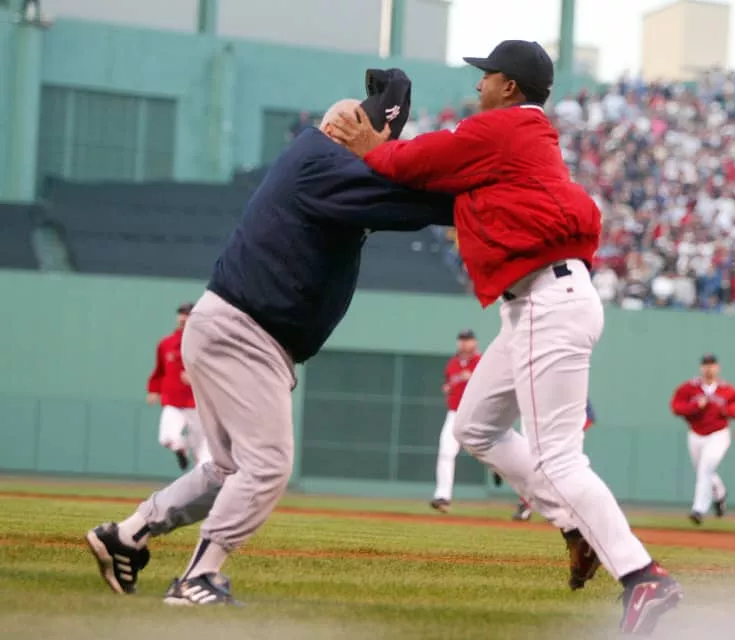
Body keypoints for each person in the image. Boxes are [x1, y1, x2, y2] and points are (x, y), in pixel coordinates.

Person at [329, 40, 682, 634]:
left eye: (487, 76)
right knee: (475, 428)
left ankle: (644, 577)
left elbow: (413, 161)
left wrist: (372, 145)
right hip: (534, 303)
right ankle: (573, 525)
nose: (479, 86)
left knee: (560, 458)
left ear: (510, 87)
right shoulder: (516, 135)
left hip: (551, 300)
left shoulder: (506, 128)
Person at [84, 69, 458, 606]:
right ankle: (196, 578)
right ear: (342, 127)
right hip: (246, 331)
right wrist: (475, 193)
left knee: (226, 468)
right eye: (376, 136)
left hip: (232, 325)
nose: (379, 148)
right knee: (267, 465)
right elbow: (410, 202)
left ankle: (127, 536)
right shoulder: (325, 162)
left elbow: (395, 191)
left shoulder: (321, 159)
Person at [671, 353, 735, 525]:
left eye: (712, 364)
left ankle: (698, 509)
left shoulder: (727, 389)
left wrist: (724, 410)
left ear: (717, 368)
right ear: (701, 368)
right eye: (705, 365)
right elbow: (676, 407)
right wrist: (696, 406)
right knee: (704, 471)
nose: (708, 368)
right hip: (696, 434)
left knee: (705, 468)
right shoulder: (689, 388)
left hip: (718, 434)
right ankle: (719, 494)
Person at [510, 398, 597, 523]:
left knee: (563, 475)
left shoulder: (569, 389)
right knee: (532, 471)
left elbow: (589, 417)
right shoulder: (529, 389)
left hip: (560, 443)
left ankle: (573, 510)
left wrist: (569, 433)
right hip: (535, 442)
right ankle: (526, 506)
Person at [146, 302, 209, 470]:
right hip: (173, 401)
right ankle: (180, 448)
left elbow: (217, 373)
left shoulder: (205, 344)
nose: (183, 317)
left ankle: (205, 490)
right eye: (181, 314)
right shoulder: (166, 344)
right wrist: (153, 390)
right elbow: (159, 370)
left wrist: (196, 378)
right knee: (167, 437)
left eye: (187, 314)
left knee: (203, 455)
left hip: (198, 405)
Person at [431, 329, 481, 513]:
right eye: (461, 339)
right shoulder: (452, 363)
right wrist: (448, 387)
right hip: (454, 414)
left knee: (492, 453)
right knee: (446, 452)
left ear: (474, 342)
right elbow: (448, 382)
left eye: (468, 339)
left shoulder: (481, 362)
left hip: (477, 415)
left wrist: (473, 378)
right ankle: (442, 496)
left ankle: (499, 472)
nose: (464, 343)